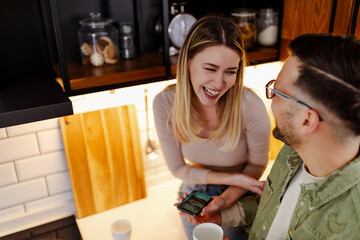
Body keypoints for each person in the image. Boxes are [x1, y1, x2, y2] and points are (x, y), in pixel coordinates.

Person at [179, 33, 360, 239]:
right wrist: (223, 216)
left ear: (307, 121)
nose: (271, 97)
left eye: (277, 92)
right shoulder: (293, 153)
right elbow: (274, 206)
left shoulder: (350, 227)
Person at [153, 15, 271, 239]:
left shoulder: (250, 105)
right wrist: (231, 178)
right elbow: (178, 169)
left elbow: (257, 164)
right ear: (188, 61)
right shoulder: (165, 103)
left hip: (239, 195)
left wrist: (227, 196)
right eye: (210, 68)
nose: (219, 84)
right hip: (194, 192)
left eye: (230, 72)